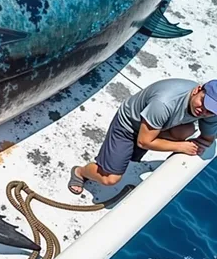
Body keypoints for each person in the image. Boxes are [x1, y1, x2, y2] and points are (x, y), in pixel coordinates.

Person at [68, 78, 217, 194]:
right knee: (110, 178)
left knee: (186, 131)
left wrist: (201, 142)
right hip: (129, 126)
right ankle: (80, 172)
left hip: (154, 126)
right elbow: (144, 142)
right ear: (197, 90)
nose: (203, 112)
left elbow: (207, 138)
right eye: (203, 103)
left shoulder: (208, 109)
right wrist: (181, 146)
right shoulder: (164, 103)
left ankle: (124, 154)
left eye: (210, 111)